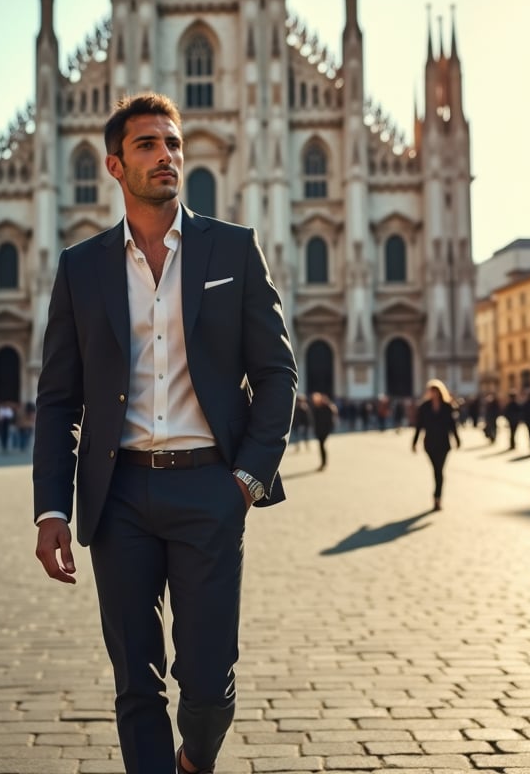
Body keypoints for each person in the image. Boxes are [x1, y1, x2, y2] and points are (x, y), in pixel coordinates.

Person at [32, 92, 298, 774]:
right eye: (149, 145)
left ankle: (194, 760)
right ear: (115, 166)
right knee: (135, 682)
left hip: (209, 486)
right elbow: (58, 399)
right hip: (116, 494)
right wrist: (52, 508)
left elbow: (277, 373)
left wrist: (247, 478)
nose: (167, 156)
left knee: (209, 685)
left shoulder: (234, 249)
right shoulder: (82, 267)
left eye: (174, 144)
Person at [411, 379, 461, 511]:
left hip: (444, 443)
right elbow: (419, 426)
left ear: (440, 392)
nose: (434, 394)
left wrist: (457, 439)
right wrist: (414, 442)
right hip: (430, 443)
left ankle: (437, 497)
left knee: (439, 471)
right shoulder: (424, 407)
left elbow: (452, 425)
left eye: (436, 391)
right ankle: (437, 497)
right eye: (431, 391)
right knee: (437, 470)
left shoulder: (447, 406)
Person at [310, 392, 338, 471]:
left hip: (324, 431)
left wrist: (328, 430)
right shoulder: (316, 408)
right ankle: (323, 463)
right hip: (319, 430)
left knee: (322, 446)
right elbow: (314, 421)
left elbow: (331, 421)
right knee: (321, 446)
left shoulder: (328, 408)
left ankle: (324, 463)